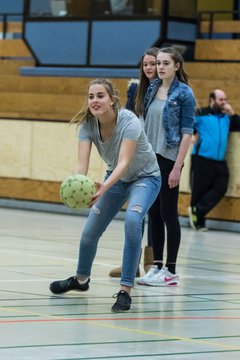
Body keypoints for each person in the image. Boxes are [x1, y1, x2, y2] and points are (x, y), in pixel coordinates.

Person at [49, 78, 161, 312]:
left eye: (100, 96)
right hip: (116, 179)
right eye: (91, 96)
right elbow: (82, 166)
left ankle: (125, 290)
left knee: (132, 221)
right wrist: (76, 186)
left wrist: (104, 187)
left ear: (112, 100)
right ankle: (81, 280)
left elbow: (124, 163)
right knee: (90, 232)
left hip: (145, 177)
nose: (95, 100)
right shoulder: (87, 126)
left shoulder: (129, 121)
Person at [137, 47, 196, 287]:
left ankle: (171, 271)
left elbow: (187, 132)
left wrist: (177, 167)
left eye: (165, 63)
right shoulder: (152, 88)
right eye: (158, 63)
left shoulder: (184, 93)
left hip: (169, 158)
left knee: (169, 213)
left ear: (176, 66)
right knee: (153, 214)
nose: (160, 67)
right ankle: (157, 266)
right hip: (150, 157)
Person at [109, 47, 159, 278]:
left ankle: (153, 262)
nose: (149, 68)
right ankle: (132, 264)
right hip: (136, 153)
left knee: (155, 212)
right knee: (135, 213)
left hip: (159, 155)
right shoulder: (135, 89)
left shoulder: (168, 91)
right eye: (146, 64)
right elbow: (126, 119)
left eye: (153, 63)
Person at [188, 89, 240, 231]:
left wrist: (232, 113)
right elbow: (185, 124)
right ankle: (198, 222)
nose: (224, 102)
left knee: (221, 187)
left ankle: (197, 211)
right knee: (200, 191)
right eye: (221, 100)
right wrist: (192, 135)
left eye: (225, 99)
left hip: (219, 161)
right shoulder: (201, 113)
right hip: (202, 159)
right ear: (212, 100)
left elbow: (238, 125)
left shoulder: (226, 117)